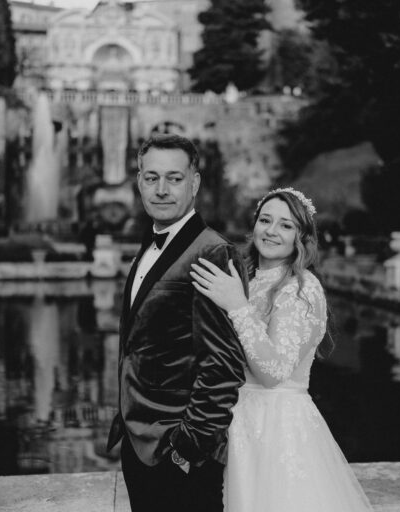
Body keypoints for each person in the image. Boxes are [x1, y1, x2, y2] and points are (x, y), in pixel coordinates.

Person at [189, 188, 374, 512]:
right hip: (234, 427)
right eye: (265, 220)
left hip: (276, 430)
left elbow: (273, 372)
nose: (272, 231)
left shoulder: (301, 288)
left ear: (301, 236)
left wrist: (237, 306)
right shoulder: (246, 278)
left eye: (286, 225)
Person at [106, 134, 247, 512]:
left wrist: (188, 446)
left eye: (174, 178)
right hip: (138, 441)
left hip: (178, 452)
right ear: (139, 182)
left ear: (194, 183)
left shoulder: (211, 250)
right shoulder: (152, 243)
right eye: (151, 178)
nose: (162, 189)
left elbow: (224, 363)